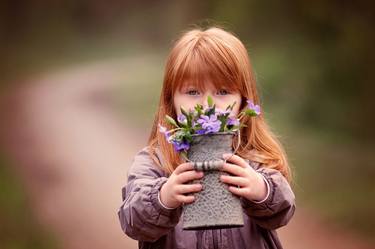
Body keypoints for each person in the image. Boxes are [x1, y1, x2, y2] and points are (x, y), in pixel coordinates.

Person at [118, 26, 296, 249]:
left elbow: (283, 211)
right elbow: (132, 222)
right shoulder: (156, 161)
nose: (206, 105)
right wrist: (163, 197)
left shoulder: (252, 156)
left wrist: (261, 190)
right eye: (193, 92)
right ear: (171, 99)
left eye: (222, 92)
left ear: (243, 98)